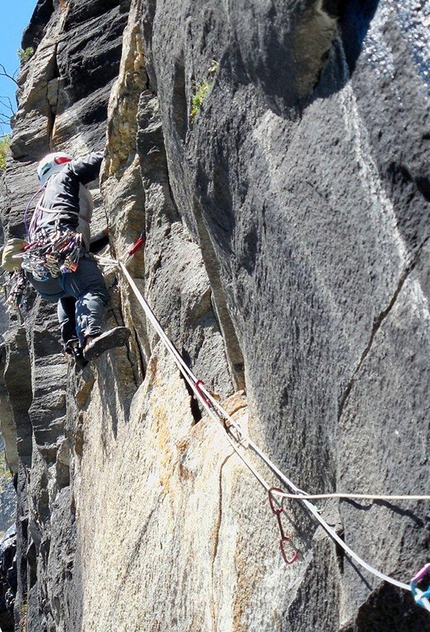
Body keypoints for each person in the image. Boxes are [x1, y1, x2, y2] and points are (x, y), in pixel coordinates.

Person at [6, 151, 130, 367]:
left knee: (69, 291)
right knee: (92, 288)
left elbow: (84, 251)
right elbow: (88, 164)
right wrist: (115, 147)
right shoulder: (64, 175)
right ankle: (90, 337)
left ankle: (74, 345)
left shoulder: (40, 210)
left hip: (43, 276)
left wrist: (107, 237)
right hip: (62, 251)